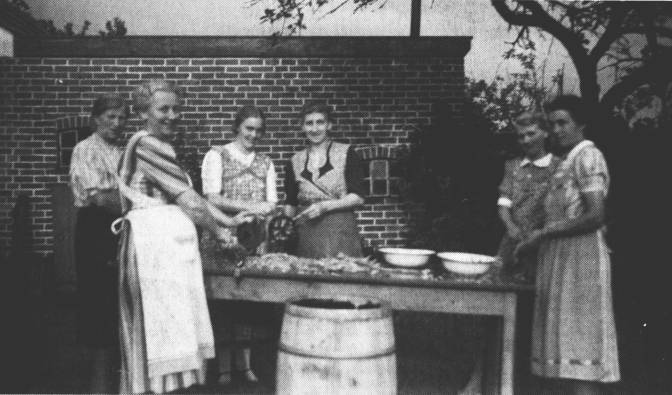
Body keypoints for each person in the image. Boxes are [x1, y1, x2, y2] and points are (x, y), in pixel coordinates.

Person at [116, 80, 251, 394]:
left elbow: (190, 196)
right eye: (163, 109)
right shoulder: (148, 144)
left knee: (165, 329)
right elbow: (189, 202)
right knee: (151, 333)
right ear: (142, 113)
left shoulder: (158, 146)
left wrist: (227, 220)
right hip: (151, 251)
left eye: (176, 109)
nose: (172, 115)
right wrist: (221, 234)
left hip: (163, 251)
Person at [516, 95, 620, 394]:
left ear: (581, 124)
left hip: (582, 260)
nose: (557, 130)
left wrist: (545, 233)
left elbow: (596, 215)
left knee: (581, 350)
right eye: (552, 124)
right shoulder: (565, 163)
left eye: (564, 122)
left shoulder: (589, 156)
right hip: (560, 258)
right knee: (561, 351)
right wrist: (534, 239)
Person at [201, 105, 278, 384]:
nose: (253, 135)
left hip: (253, 241)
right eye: (249, 128)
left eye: (258, 130)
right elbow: (211, 197)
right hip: (221, 236)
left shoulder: (265, 162)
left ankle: (244, 366)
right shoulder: (217, 155)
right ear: (237, 128)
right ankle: (223, 369)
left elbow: (271, 203)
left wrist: (260, 210)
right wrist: (249, 206)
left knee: (247, 303)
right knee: (222, 304)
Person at [69, 94, 127, 393]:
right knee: (98, 309)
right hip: (95, 231)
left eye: (121, 118)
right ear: (96, 118)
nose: (116, 124)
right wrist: (137, 203)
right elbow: (99, 199)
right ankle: (97, 387)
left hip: (121, 230)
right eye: (110, 117)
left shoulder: (122, 151)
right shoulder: (85, 150)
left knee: (119, 308)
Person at [284, 102, 366, 258]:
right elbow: (291, 203)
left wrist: (325, 206)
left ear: (329, 125)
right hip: (306, 234)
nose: (314, 129)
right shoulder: (294, 161)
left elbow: (358, 197)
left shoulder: (347, 153)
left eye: (320, 122)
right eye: (309, 123)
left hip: (340, 231)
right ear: (302, 127)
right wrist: (284, 228)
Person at [497, 111, 559, 281]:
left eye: (531, 134)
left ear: (545, 133)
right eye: (521, 136)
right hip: (513, 242)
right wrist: (510, 226)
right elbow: (504, 204)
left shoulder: (559, 167)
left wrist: (541, 233)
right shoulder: (513, 166)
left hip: (544, 244)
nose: (526, 140)